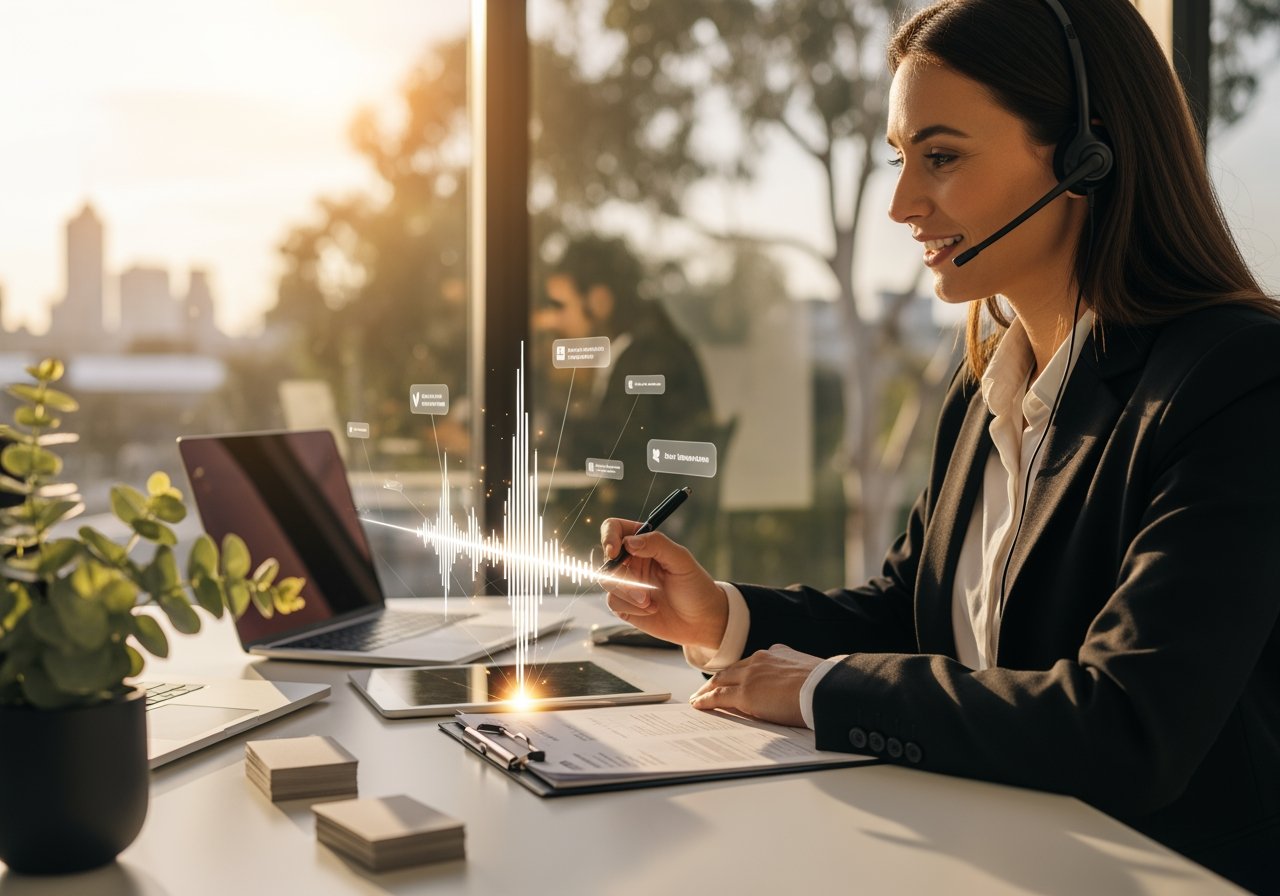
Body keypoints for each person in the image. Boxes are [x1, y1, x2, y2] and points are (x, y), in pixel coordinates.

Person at [599, 0, 1280, 890]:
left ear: (1087, 155)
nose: (901, 203)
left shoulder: (1236, 382)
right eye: (900, 158)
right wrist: (722, 616)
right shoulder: (986, 380)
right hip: (994, 855)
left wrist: (820, 689)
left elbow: (1128, 726)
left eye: (942, 157)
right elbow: (909, 614)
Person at [535, 234, 718, 558]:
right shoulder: (652, 344)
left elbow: (615, 447)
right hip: (653, 526)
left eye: (561, 306)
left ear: (599, 300)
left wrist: (540, 431)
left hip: (642, 532)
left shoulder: (648, 355)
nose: (554, 320)